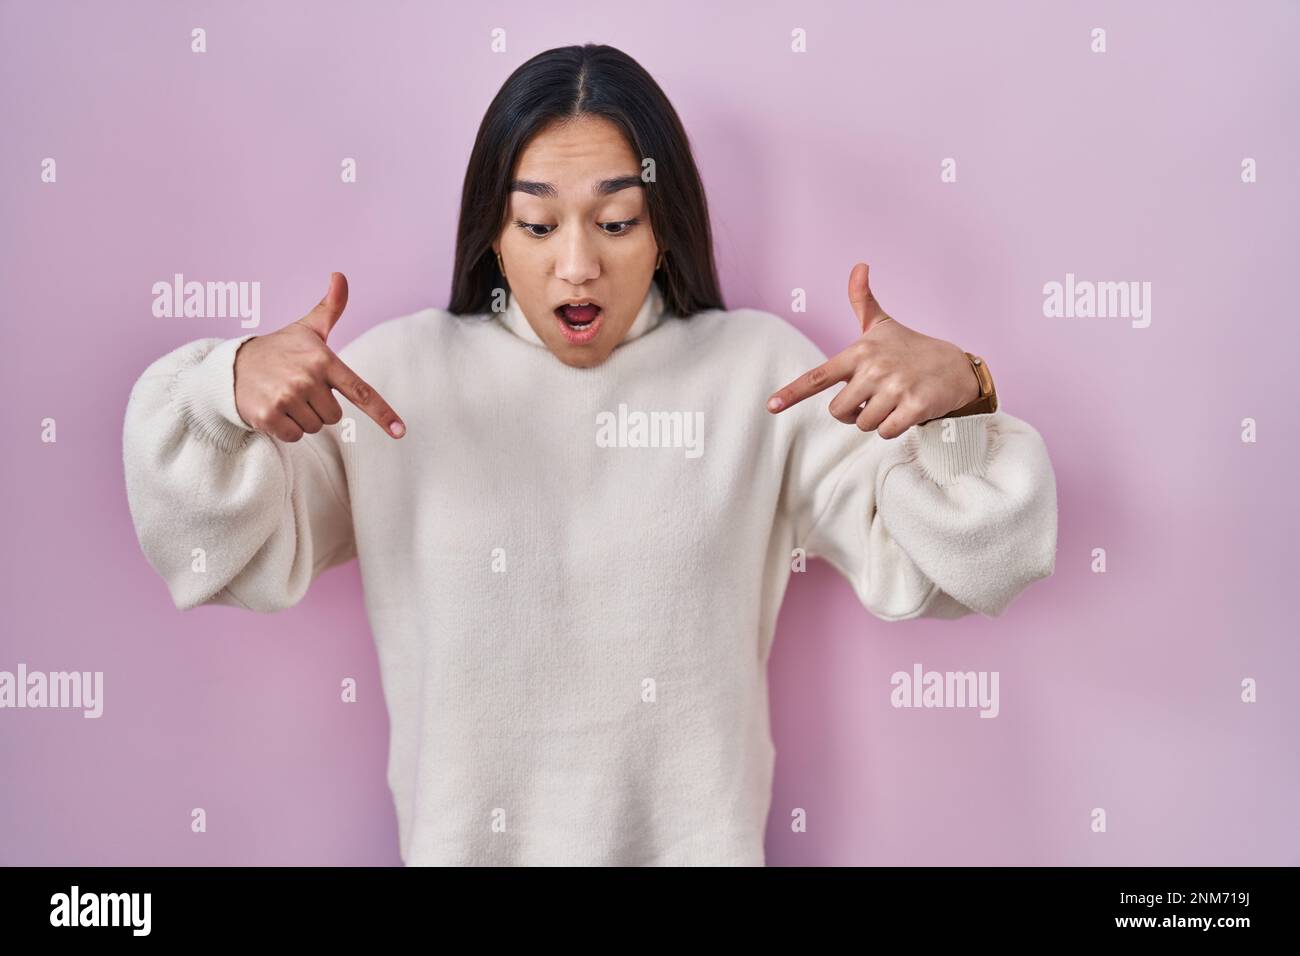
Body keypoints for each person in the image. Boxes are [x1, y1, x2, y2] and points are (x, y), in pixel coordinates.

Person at [122, 43, 1058, 866]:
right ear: (492, 232)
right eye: (537, 225)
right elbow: (221, 557)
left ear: (665, 230)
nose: (577, 266)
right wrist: (221, 389)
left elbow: (966, 567)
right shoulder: (396, 378)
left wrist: (962, 397)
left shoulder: (760, 374)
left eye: (616, 223)